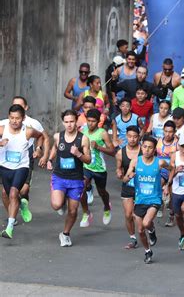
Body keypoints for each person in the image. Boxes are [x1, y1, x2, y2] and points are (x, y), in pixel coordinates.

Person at [0, 96, 50, 224]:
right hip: (5, 162)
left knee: (22, 190)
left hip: (25, 158)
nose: (14, 120)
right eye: (12, 117)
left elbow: (43, 137)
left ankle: (19, 208)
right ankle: (13, 215)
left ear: (25, 109)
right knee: (6, 193)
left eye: (20, 106)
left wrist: (41, 152)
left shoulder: (32, 124)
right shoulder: (3, 124)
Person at [47, 110, 91, 247]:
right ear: (63, 122)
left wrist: (78, 154)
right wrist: (49, 159)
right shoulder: (57, 136)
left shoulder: (83, 139)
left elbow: (88, 160)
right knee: (56, 205)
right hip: (59, 176)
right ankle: (61, 199)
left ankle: (65, 234)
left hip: (76, 179)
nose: (69, 125)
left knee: (73, 210)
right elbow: (55, 149)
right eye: (66, 122)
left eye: (72, 121)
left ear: (76, 121)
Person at [123, 136, 169, 264]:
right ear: (141, 147)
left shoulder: (160, 163)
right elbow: (125, 179)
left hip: (154, 198)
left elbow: (172, 169)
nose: (147, 150)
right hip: (140, 200)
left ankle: (152, 230)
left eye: (150, 147)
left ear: (154, 150)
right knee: (140, 230)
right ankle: (148, 251)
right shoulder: (135, 162)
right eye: (145, 147)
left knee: (146, 222)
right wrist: (128, 176)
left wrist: (167, 185)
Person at [79, 109, 115, 228]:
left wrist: (99, 147)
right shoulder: (83, 131)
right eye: (88, 121)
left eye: (93, 121)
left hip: (99, 168)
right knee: (81, 189)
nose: (90, 123)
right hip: (86, 166)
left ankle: (106, 207)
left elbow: (112, 151)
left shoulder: (102, 133)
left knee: (102, 192)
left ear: (98, 121)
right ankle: (86, 213)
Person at [115, 125, 140, 249]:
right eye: (130, 136)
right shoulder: (121, 153)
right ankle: (133, 238)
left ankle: (150, 231)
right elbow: (119, 169)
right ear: (126, 137)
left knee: (139, 215)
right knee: (128, 215)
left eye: (135, 137)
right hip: (127, 185)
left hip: (142, 188)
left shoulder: (144, 151)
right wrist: (119, 173)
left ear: (138, 137)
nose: (132, 139)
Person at [156, 120, 178, 225]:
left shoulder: (177, 143)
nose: (168, 134)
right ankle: (160, 202)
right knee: (157, 185)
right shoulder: (158, 141)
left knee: (173, 196)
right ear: (163, 131)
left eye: (170, 132)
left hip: (174, 171)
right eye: (166, 131)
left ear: (174, 132)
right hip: (162, 170)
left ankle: (171, 216)